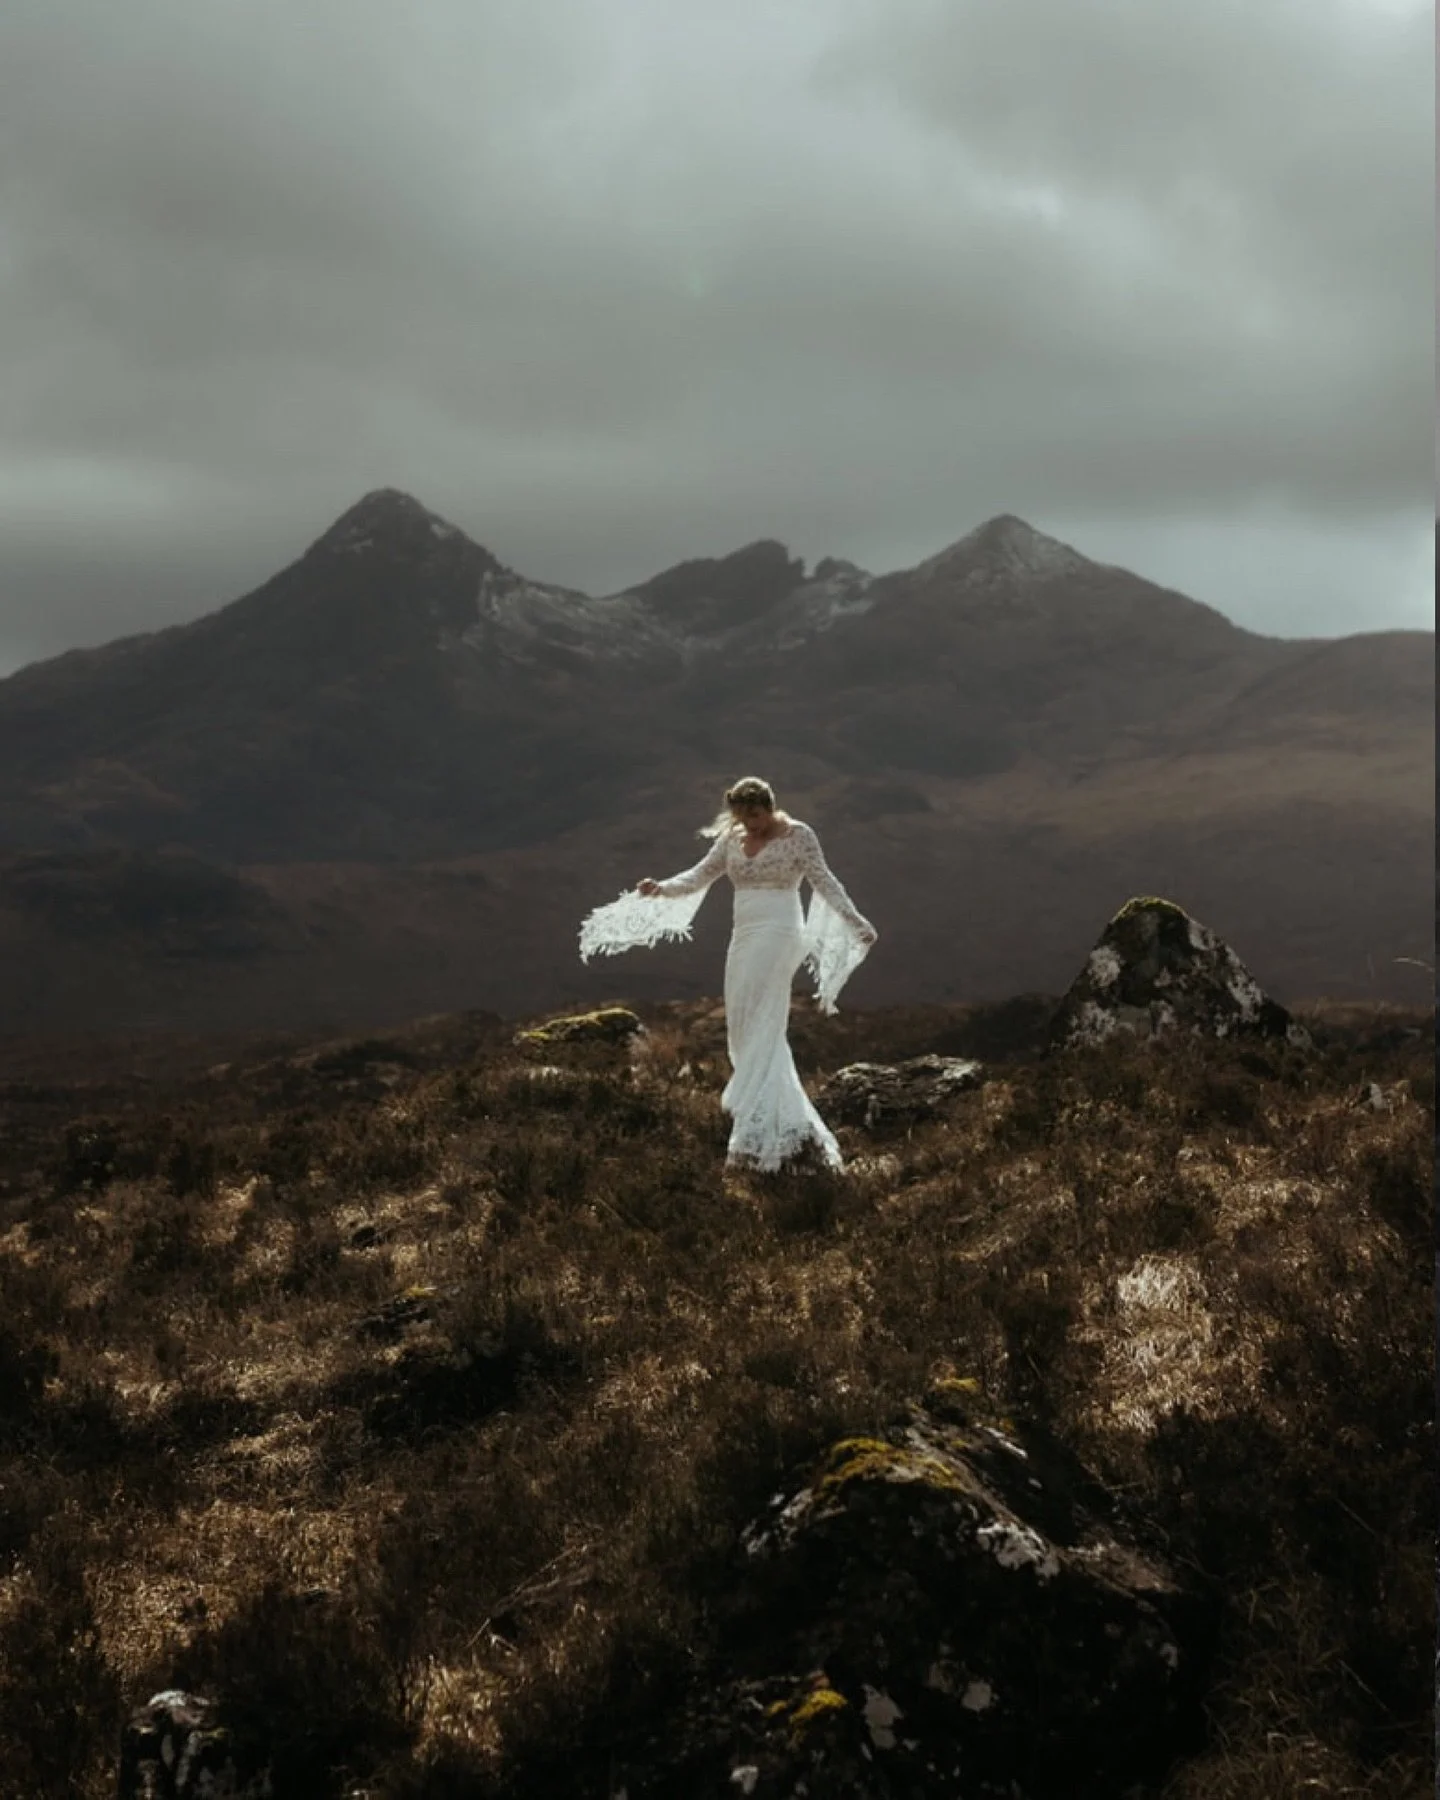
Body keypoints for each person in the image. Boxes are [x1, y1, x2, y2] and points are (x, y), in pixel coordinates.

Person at [578, 777, 877, 1172]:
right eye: (743, 817)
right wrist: (661, 888)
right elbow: (700, 874)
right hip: (744, 934)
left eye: (756, 816)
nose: (751, 825)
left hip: (780, 932)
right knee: (740, 1019)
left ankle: (760, 1123)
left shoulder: (799, 836)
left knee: (764, 1017)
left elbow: (825, 881)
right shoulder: (732, 839)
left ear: (770, 807)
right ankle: (775, 1111)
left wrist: (855, 921)